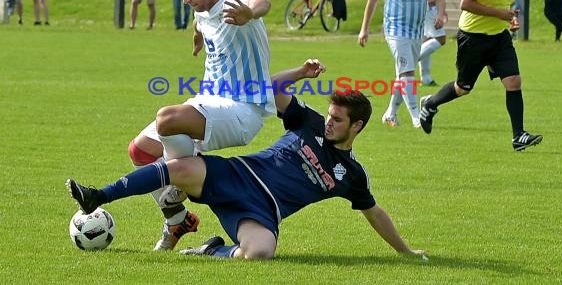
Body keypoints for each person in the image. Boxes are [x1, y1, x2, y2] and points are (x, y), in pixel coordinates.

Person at [66, 59, 426, 260]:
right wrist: (300, 73)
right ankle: (100, 195)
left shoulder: (351, 174)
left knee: (259, 254)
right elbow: (273, 90)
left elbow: (374, 212)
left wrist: (406, 250)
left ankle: (212, 250)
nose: (330, 122)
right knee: (179, 169)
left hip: (260, 211)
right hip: (236, 175)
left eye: (338, 120)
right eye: (330, 115)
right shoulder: (310, 122)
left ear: (357, 126)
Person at [123, 0, 275, 251]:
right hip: (209, 101)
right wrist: (197, 39)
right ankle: (177, 219)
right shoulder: (202, 11)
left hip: (244, 108)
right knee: (140, 151)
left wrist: (249, 13)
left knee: (167, 119)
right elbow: (200, 24)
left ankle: (181, 184)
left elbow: (262, 2)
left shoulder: (235, 1)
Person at [419, 0, 543, 152]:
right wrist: (500, 14)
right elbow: (466, 3)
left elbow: (501, 5)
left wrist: (509, 20)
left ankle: (518, 136)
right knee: (463, 87)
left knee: (514, 81)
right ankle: (430, 103)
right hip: (473, 38)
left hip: (499, 38)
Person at [358, 0, 445, 128]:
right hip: (395, 30)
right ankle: (417, 117)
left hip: (417, 30)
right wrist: (365, 28)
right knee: (407, 73)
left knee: (403, 72)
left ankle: (390, 113)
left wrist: (441, 15)